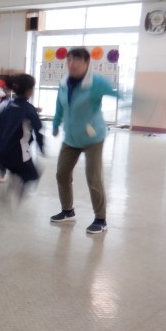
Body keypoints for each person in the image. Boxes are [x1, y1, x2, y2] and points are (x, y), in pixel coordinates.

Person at [49, 47, 118, 234]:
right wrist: (55, 124)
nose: (72, 64)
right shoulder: (64, 83)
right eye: (69, 61)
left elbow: (118, 95)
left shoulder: (96, 82)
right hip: (71, 137)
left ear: (87, 63)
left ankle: (101, 219)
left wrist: (137, 102)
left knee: (93, 178)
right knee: (62, 174)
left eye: (76, 61)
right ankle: (67, 211)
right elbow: (59, 106)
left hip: (93, 137)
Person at [0, 73, 44, 199]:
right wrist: (42, 147)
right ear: (29, 91)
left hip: (1, 151)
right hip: (18, 153)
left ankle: (13, 186)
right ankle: (15, 187)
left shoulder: (7, 106)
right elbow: (39, 130)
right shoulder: (29, 109)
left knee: (16, 171)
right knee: (33, 175)